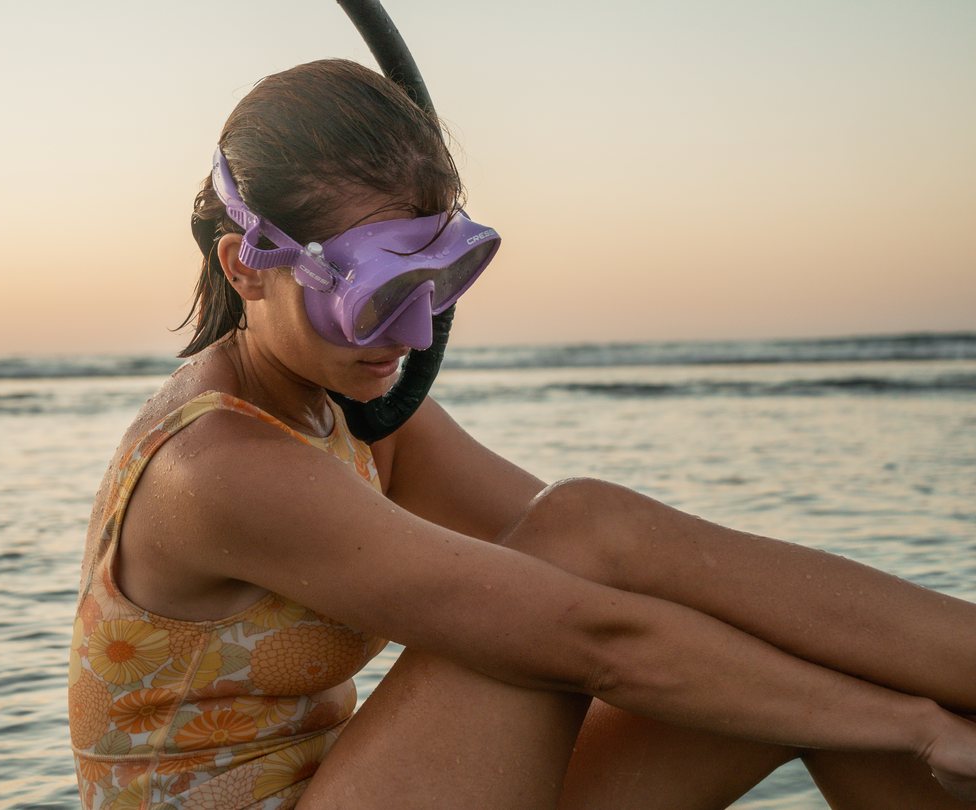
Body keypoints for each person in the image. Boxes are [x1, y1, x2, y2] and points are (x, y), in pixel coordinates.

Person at [67, 58, 976, 810]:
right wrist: (916, 728)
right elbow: (596, 638)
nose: (415, 334)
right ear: (248, 266)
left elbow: (626, 568)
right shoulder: (217, 467)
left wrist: (903, 698)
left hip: (346, 785)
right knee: (623, 556)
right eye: (377, 295)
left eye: (440, 283)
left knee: (766, 659)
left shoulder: (358, 412)